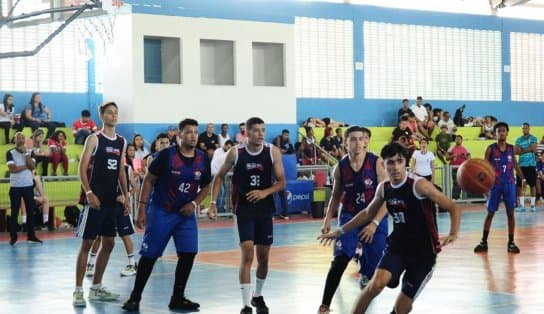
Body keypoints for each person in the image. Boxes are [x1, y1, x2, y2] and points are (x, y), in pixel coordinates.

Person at [318, 141, 460, 314]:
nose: (395, 167)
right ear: (383, 165)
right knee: (375, 285)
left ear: (405, 163)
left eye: (399, 161)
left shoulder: (419, 185)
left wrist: (453, 233)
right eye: (390, 162)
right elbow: (367, 213)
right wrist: (341, 230)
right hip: (398, 247)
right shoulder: (384, 188)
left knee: (401, 308)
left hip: (424, 253)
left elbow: (453, 207)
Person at [122, 118, 212, 312]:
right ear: (179, 136)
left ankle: (178, 298)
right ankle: (135, 297)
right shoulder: (166, 156)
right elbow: (148, 181)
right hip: (162, 211)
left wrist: (194, 203)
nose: (193, 136)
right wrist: (142, 208)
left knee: (189, 253)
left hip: (185, 214)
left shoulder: (202, 158)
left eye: (196, 132)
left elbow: (206, 186)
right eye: (188, 132)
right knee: (150, 254)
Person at [209, 117, 286, 314]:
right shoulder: (236, 153)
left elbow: (281, 182)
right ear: (247, 133)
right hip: (243, 209)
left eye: (263, 130)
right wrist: (212, 203)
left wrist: (264, 192)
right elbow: (218, 177)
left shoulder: (272, 152)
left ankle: (257, 295)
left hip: (264, 209)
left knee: (264, 259)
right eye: (256, 130)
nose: (261, 134)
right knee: (248, 254)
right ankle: (245, 305)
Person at [318, 126, 388, 314]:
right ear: (345, 142)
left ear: (366, 142)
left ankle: (365, 269)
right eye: (353, 139)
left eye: (361, 139)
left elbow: (388, 195)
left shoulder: (376, 163)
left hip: (374, 216)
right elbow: (335, 195)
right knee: (340, 259)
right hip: (349, 215)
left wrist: (374, 224)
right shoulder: (340, 168)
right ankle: (325, 304)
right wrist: (327, 221)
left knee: (375, 260)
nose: (358, 143)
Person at [73, 102, 130, 307]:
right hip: (94, 201)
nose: (114, 115)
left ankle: (96, 288)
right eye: (109, 113)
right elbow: (81, 167)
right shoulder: (94, 139)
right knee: (87, 244)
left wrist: (126, 195)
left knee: (109, 243)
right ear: (102, 116)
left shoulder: (122, 141)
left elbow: (121, 171)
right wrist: (88, 192)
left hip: (111, 201)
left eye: (116, 112)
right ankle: (78, 290)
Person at [474, 122, 524, 254]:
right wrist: (483, 186)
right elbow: (484, 168)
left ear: (507, 133)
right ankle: (483, 242)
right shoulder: (490, 149)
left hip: (509, 183)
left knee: (511, 213)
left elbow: (515, 164)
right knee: (490, 213)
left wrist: (523, 178)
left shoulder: (511, 149)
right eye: (499, 131)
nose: (501, 133)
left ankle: (511, 242)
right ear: (495, 133)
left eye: (503, 131)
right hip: (494, 185)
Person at [7, 132, 43, 246]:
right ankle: (13, 237)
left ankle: (31, 236)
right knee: (14, 212)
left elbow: (33, 166)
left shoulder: (30, 152)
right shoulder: (10, 152)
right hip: (15, 187)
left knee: (31, 212)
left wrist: (26, 154)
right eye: (19, 138)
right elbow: (12, 169)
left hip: (28, 186)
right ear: (15, 140)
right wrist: (26, 166)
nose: (21, 139)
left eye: (23, 137)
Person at [514, 123, 538, 212]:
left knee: (533, 185)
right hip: (521, 166)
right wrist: (528, 149)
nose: (524, 129)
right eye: (523, 128)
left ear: (529, 129)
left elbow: (534, 148)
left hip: (531, 165)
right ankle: (522, 206)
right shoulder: (518, 139)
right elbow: (516, 151)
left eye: (526, 128)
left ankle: (532, 206)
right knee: (520, 186)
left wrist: (522, 150)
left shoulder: (533, 138)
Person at [211, 140, 234, 213]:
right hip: (214, 173)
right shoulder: (220, 152)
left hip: (221, 173)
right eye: (228, 147)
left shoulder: (227, 154)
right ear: (225, 145)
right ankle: (219, 210)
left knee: (225, 191)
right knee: (221, 192)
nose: (229, 148)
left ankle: (223, 209)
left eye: (230, 147)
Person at [446, 135, 470, 200]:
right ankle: (455, 197)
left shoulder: (465, 149)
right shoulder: (451, 148)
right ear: (455, 140)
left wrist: (464, 157)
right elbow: (447, 158)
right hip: (454, 168)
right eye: (456, 139)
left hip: (462, 169)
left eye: (459, 139)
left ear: (462, 140)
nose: (458, 140)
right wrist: (453, 155)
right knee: (456, 182)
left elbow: (469, 159)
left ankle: (458, 197)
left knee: (461, 183)